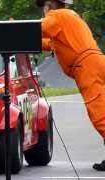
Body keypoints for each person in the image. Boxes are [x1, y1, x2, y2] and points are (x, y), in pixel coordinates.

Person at [36, 0, 105, 171]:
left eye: (43, 7)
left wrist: (13, 29)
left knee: (99, 114)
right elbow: (48, 43)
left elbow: (37, 29)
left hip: (87, 68)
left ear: (49, 6)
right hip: (95, 62)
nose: (44, 12)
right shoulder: (69, 20)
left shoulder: (57, 16)